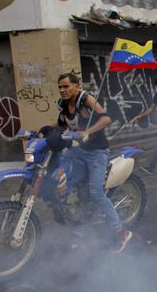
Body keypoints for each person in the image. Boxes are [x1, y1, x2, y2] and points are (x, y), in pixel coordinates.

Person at [55, 73, 132, 253]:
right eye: (60, 87)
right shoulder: (63, 104)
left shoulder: (85, 99)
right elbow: (60, 125)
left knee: (96, 192)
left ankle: (121, 231)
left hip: (96, 153)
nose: (62, 90)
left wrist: (87, 131)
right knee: (64, 175)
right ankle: (80, 219)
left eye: (66, 86)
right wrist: (40, 132)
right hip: (78, 150)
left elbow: (106, 119)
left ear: (77, 86)